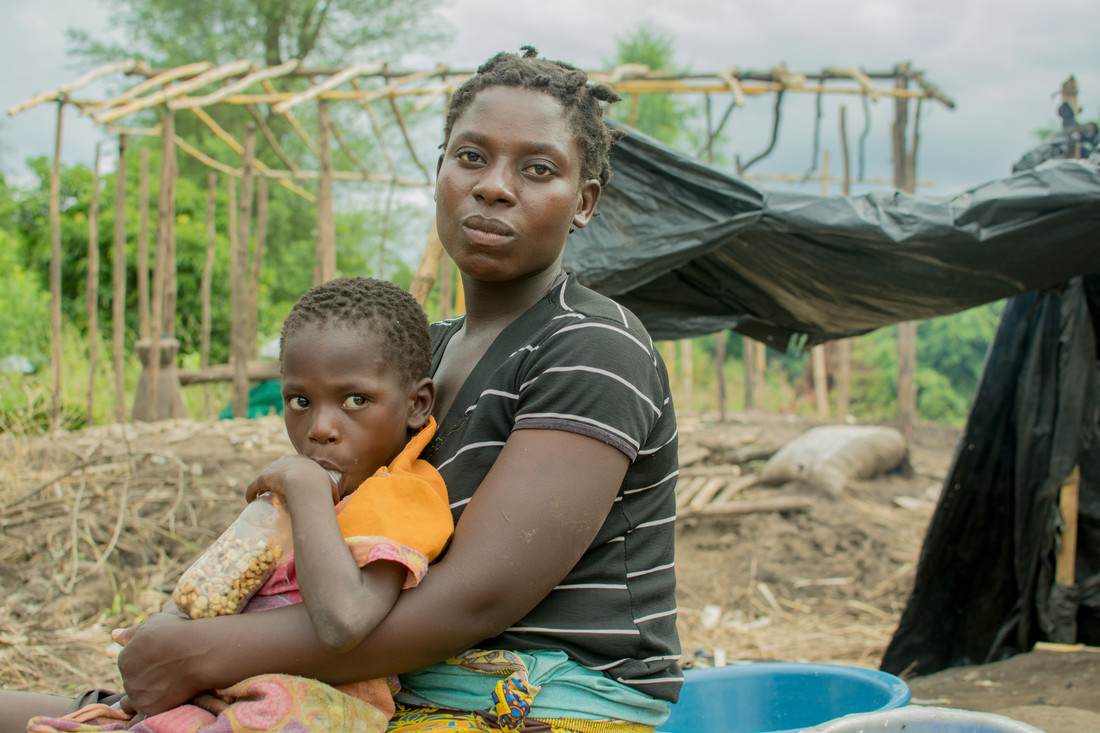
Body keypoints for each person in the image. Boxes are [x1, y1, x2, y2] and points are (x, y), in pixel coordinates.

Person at [0, 46, 682, 733]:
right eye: (471, 157)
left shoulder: (593, 345)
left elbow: (476, 602)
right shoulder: (422, 356)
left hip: (534, 702)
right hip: (382, 683)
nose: (494, 186)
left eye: (537, 169)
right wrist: (186, 654)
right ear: (440, 169)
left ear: (584, 202)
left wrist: (206, 653)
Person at [17, 276, 454, 733]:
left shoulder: (403, 494)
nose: (319, 428)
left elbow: (344, 621)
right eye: (300, 401)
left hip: (316, 704)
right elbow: (223, 594)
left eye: (355, 400)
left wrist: (305, 487)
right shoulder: (308, 496)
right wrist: (167, 632)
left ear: (416, 404)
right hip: (230, 687)